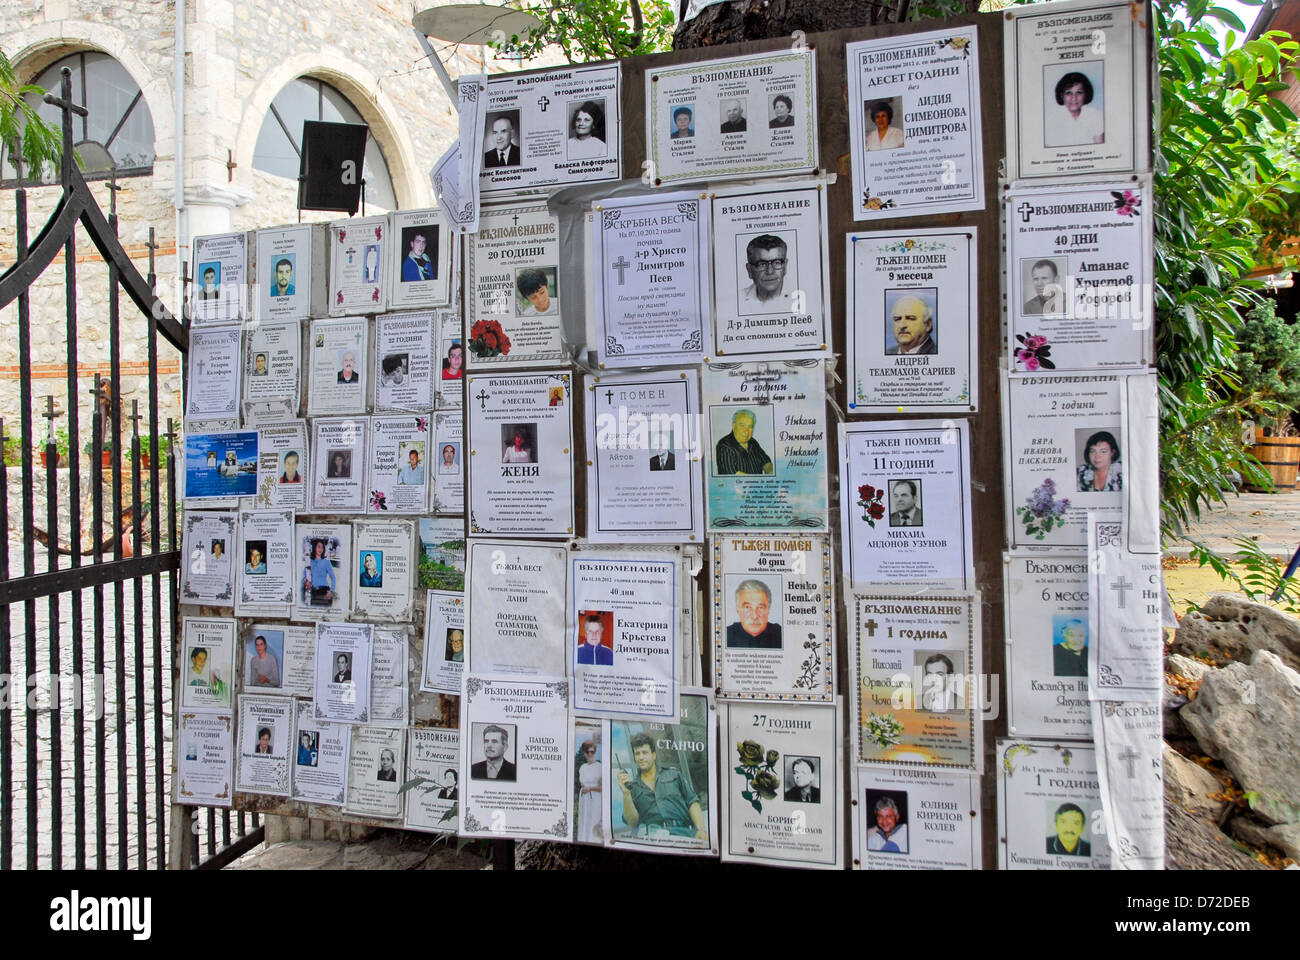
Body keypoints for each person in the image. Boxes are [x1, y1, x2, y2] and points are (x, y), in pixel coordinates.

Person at [617, 732, 707, 842]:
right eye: (637, 753)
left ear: (654, 755)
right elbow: (632, 822)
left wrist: (701, 829)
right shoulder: (633, 788)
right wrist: (626, 794)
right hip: (654, 839)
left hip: (685, 834)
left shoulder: (674, 774)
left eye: (645, 752)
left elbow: (692, 801)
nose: (641, 757)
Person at [1047, 72, 1104, 147]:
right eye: (1068, 93)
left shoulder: (1094, 115)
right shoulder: (1053, 118)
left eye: (1079, 92)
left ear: (1086, 94)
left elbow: (1100, 147)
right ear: (1061, 95)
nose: (1074, 98)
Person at [726, 579, 782, 649]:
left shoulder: (781, 634)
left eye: (760, 607)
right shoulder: (726, 635)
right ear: (738, 610)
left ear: (768, 610)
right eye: (747, 607)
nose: (754, 616)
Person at [715, 409, 773, 476]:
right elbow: (732, 476)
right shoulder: (724, 445)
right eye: (742, 425)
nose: (746, 431)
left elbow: (766, 461)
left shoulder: (753, 442)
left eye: (750, 427)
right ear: (734, 426)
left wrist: (770, 473)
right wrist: (758, 482)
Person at [740, 235, 790, 310]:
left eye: (777, 263)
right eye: (761, 264)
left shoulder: (801, 298)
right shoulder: (737, 299)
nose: (770, 271)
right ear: (749, 270)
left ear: (785, 266)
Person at [577, 740, 603, 843]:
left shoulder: (599, 767)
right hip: (584, 800)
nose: (590, 754)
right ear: (584, 753)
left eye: (592, 752)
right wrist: (584, 788)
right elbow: (582, 783)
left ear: (595, 752)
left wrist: (590, 788)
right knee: (585, 822)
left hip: (595, 799)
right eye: (587, 752)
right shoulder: (582, 768)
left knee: (594, 821)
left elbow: (603, 788)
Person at [304, 538, 335, 604]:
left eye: (322, 547)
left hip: (324, 592)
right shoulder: (309, 562)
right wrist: (306, 582)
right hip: (313, 593)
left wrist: (331, 591)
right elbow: (305, 576)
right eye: (319, 547)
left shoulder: (326, 562)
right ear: (314, 547)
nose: (320, 549)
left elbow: (333, 578)